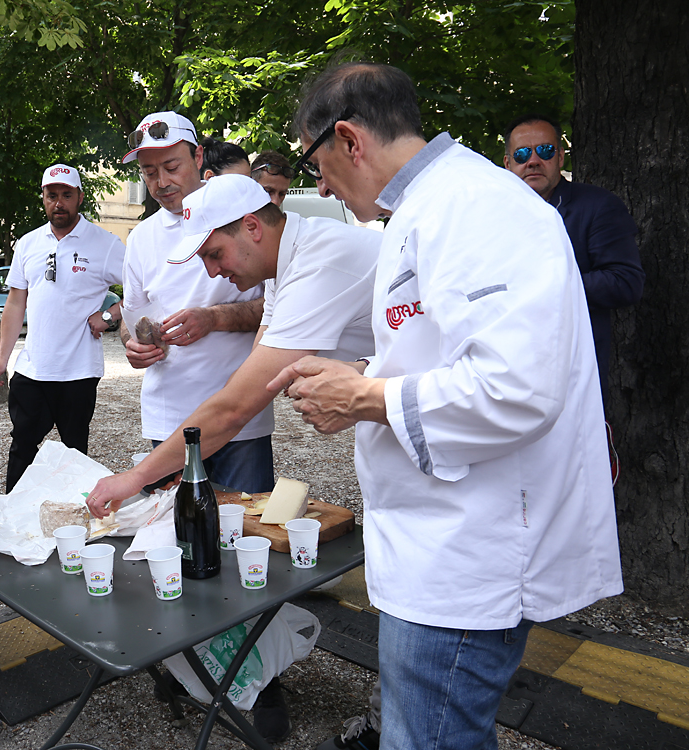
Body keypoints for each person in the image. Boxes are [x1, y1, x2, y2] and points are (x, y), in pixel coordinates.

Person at [275, 62, 622, 750]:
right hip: (439, 540)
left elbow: (515, 387)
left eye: (312, 163)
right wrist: (364, 383)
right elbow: (448, 355)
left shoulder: (475, 204)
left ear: (347, 140)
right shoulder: (430, 208)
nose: (317, 185)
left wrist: (367, 395)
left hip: (469, 553)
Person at [87, 173, 378, 515]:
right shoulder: (283, 262)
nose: (212, 272)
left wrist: (136, 477)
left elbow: (238, 405)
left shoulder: (318, 260)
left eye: (214, 254)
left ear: (252, 227)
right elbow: (251, 378)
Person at [120, 111, 274, 494]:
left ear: (199, 157)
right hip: (168, 414)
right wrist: (133, 345)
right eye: (148, 172)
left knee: (244, 529)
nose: (161, 182)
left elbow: (277, 307)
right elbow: (131, 315)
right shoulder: (141, 238)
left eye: (171, 166)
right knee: (176, 534)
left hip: (241, 418)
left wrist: (215, 318)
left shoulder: (241, 214)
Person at [0, 164, 126, 492]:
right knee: (22, 447)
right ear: (44, 198)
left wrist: (108, 316)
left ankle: (73, 522)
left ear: (79, 197)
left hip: (78, 373)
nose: (58, 202)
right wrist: (2, 359)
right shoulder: (28, 243)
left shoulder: (104, 244)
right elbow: (15, 304)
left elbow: (140, 288)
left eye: (66, 195)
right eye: (52, 195)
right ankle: (15, 520)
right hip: (33, 370)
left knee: (75, 455)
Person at [502, 113, 644, 400]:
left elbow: (625, 282)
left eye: (544, 150)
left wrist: (544, 286)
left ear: (560, 157)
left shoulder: (598, 205)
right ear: (507, 163)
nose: (532, 161)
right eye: (521, 154)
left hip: (572, 373)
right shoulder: (493, 214)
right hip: (504, 368)